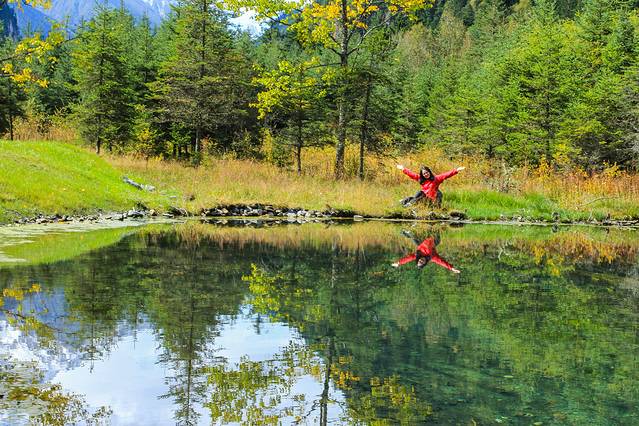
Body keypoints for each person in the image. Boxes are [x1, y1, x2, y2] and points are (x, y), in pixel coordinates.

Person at [391, 229, 460, 273]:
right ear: (425, 263)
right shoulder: (432, 257)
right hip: (432, 241)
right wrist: (451, 268)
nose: (421, 260)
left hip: (422, 240)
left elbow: (407, 259)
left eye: (419, 261)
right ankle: (437, 228)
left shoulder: (416, 255)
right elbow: (441, 262)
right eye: (422, 262)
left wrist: (398, 263)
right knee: (438, 241)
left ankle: (408, 232)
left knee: (417, 243)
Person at [397, 164, 465, 208]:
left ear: (429, 172)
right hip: (423, 199)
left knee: (419, 194)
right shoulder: (421, 179)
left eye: (427, 172)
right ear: (422, 175)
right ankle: (402, 204)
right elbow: (411, 174)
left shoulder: (436, 179)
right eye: (424, 174)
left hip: (431, 201)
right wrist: (403, 168)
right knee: (414, 196)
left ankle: (410, 204)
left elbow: (446, 175)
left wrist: (456, 170)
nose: (426, 174)